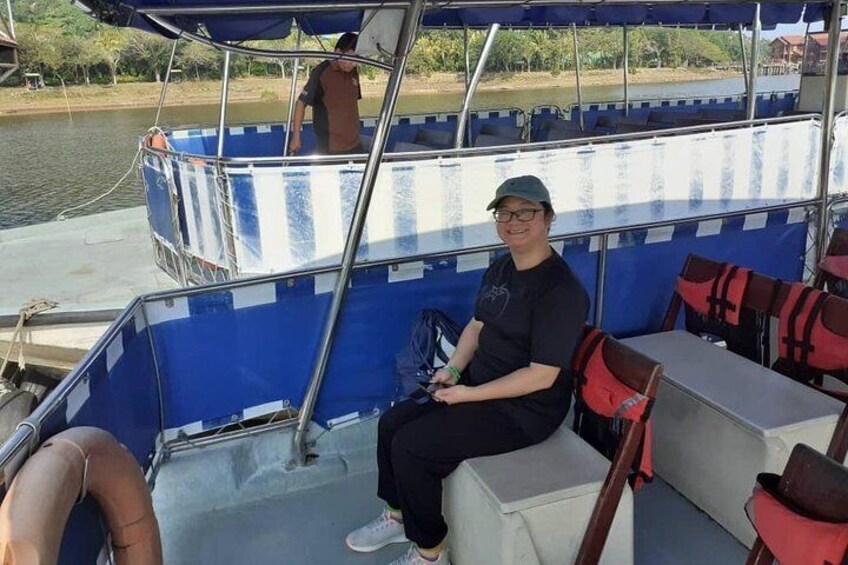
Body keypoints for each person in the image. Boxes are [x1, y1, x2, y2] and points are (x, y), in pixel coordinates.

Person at [345, 175, 590, 565]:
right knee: (391, 423)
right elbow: (477, 326)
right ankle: (398, 516)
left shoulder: (561, 292)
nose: (514, 221)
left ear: (549, 218)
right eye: (504, 213)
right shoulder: (500, 270)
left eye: (526, 211)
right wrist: (455, 372)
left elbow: (543, 376)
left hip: (526, 410)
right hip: (478, 384)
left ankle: (429, 554)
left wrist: (468, 396)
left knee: (413, 447)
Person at [288, 32, 363, 155]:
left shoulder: (354, 72)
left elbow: (351, 105)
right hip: (330, 147)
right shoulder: (322, 72)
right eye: (350, 58)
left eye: (356, 59)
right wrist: (296, 137)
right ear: (338, 52)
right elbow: (301, 103)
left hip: (354, 144)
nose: (353, 64)